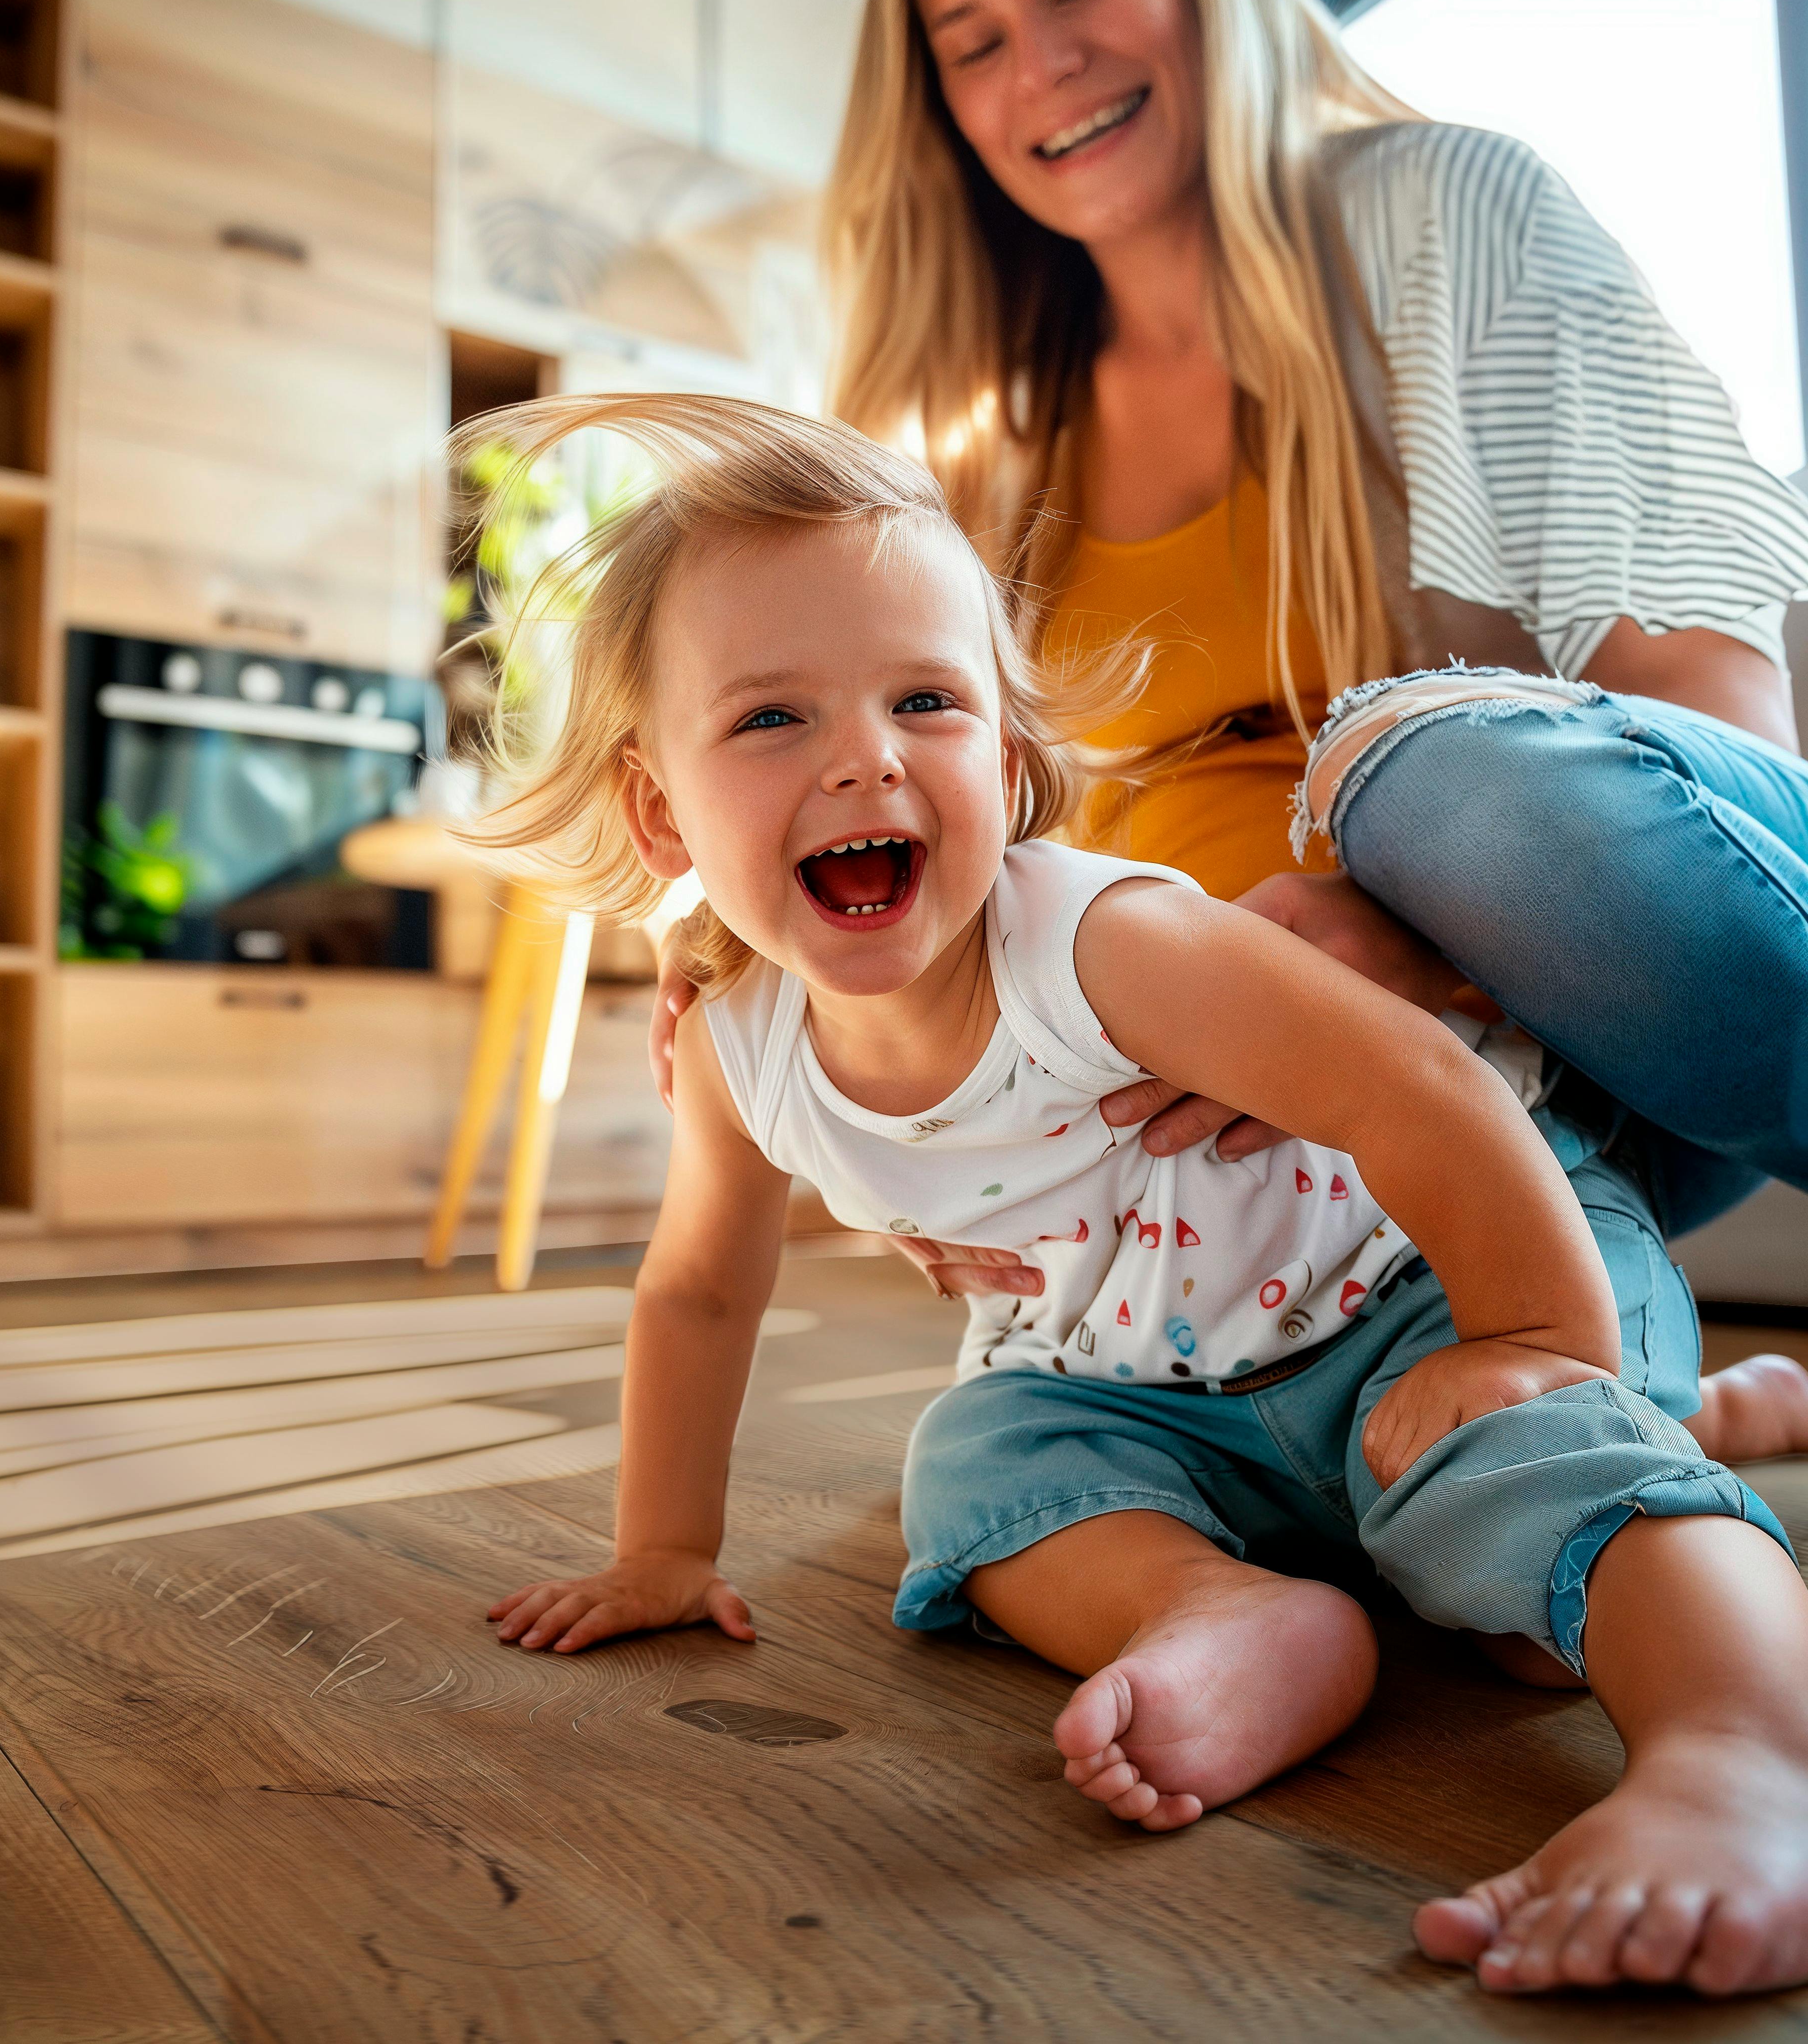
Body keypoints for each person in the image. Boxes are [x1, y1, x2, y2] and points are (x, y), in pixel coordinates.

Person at [470, 393, 1808, 1999]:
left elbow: (1427, 1088)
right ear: (659, 809)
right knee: (973, 1459)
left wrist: (1530, 1335)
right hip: (1150, 1378)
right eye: (772, 720)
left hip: (1424, 1283)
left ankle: (1753, 1746)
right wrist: (664, 1549)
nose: (867, 757)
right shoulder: (740, 1041)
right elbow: (699, 1287)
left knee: (1524, 1565)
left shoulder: (1099, 944)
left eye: (926, 699)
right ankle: (1235, 1613)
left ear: (1010, 757)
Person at [648, 0, 1808, 1463]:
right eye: (972, 36)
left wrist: (1449, 942)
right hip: (1243, 1149)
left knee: (1439, 785)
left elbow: (1720, 733)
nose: (1044, 60)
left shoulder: (1448, 215)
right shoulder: (982, 436)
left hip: (1562, 1036)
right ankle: (1669, 1400)